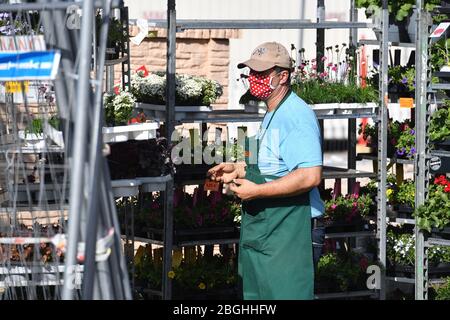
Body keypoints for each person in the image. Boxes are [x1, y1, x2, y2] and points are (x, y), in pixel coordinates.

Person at [208, 42, 324, 300]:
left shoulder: (296, 115)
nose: (253, 79)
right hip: (271, 232)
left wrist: (257, 191)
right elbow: (273, 166)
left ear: (283, 76)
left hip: (292, 235)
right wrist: (237, 169)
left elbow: (310, 175)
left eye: (261, 73)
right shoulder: (273, 113)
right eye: (252, 72)